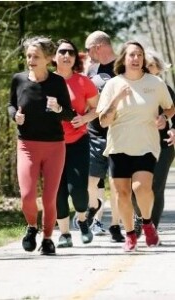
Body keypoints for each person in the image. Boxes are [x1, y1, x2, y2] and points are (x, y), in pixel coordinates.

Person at [97, 40, 174, 252]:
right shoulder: (113, 84)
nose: (136, 58)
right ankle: (130, 234)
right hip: (119, 145)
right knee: (122, 193)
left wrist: (163, 117)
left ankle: (147, 223)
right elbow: (103, 120)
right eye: (131, 55)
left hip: (146, 144)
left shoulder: (155, 83)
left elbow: (171, 108)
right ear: (123, 59)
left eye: (139, 55)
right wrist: (117, 99)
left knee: (141, 188)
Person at [8, 36, 75, 255]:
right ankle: (31, 227)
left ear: (48, 59)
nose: (30, 60)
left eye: (36, 56)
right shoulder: (18, 80)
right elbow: (11, 106)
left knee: (49, 198)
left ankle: (47, 238)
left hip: (54, 146)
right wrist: (14, 117)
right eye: (28, 56)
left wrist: (58, 110)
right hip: (27, 145)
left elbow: (69, 113)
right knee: (27, 195)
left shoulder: (57, 82)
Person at [52, 39, 99, 247]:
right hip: (51, 143)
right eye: (62, 52)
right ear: (54, 57)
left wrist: (85, 119)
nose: (67, 55)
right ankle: (64, 234)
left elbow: (97, 109)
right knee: (57, 191)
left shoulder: (83, 82)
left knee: (77, 189)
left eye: (71, 52)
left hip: (78, 141)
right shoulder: (46, 82)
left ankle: (82, 221)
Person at [84, 30, 125, 243]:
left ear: (99, 46)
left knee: (116, 183)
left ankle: (115, 225)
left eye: (88, 48)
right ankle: (95, 207)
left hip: (118, 134)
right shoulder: (91, 69)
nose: (87, 54)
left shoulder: (123, 67)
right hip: (94, 134)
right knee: (90, 182)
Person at [132, 49, 175, 237]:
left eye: (151, 65)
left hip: (162, 146)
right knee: (136, 188)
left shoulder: (166, 89)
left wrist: (173, 129)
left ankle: (153, 229)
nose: (147, 68)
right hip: (135, 144)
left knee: (155, 187)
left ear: (158, 68)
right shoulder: (131, 88)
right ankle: (140, 216)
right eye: (144, 65)